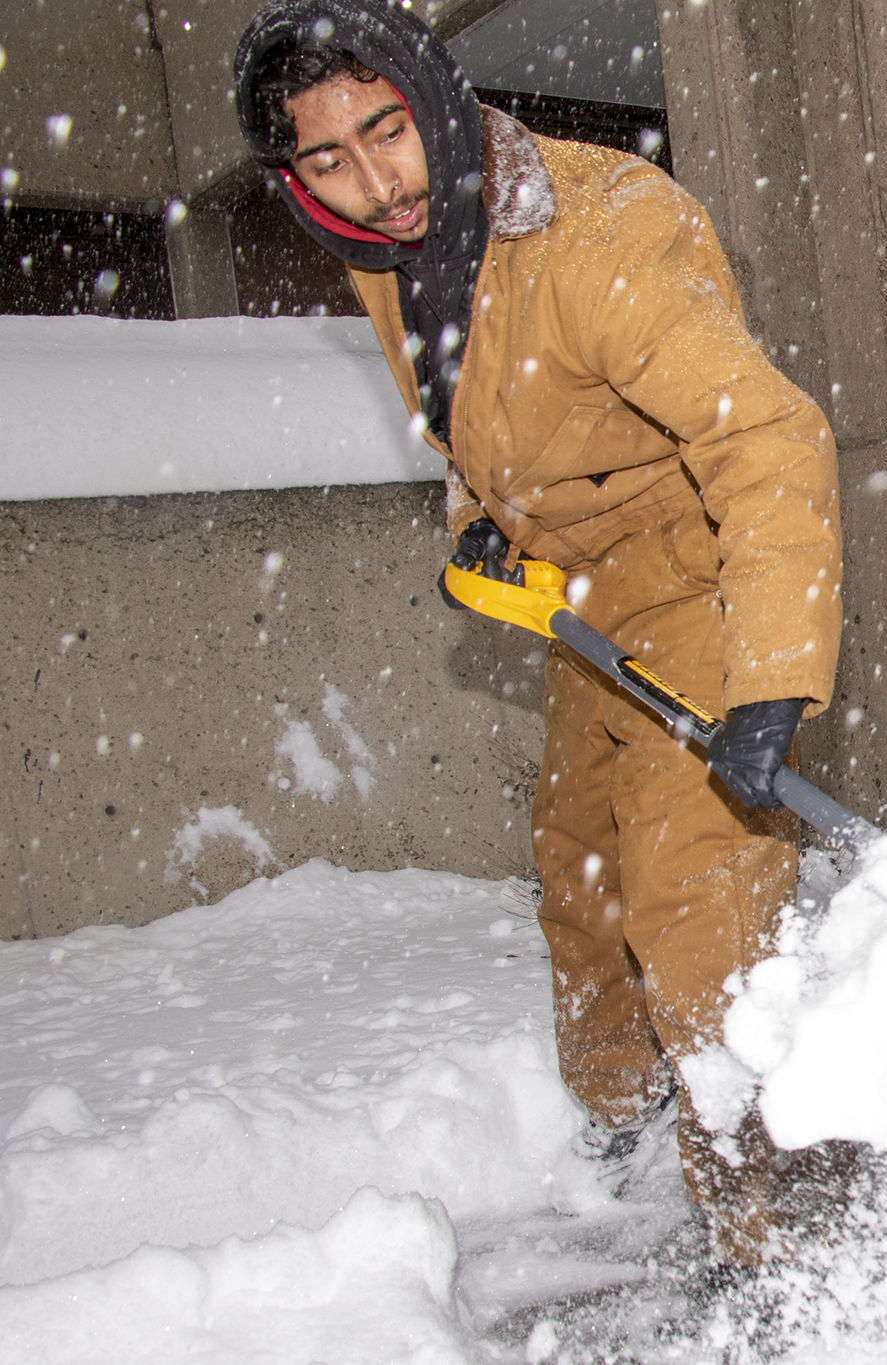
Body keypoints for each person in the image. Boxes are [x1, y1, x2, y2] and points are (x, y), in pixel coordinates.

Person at [232, 0, 845, 1261]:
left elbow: (765, 437)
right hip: (583, 607)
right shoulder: (390, 261)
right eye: (327, 159)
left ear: (431, 99)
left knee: (699, 916)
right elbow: (484, 410)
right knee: (579, 879)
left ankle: (765, 1235)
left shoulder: (603, 229)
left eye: (386, 132)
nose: (373, 182)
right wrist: (484, 521)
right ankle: (618, 1121)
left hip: (700, 579)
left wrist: (771, 676)